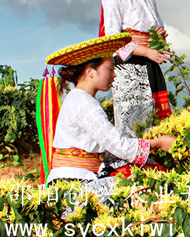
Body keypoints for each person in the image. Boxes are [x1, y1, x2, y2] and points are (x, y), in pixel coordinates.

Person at [44, 33, 175, 193]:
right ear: (90, 72)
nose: (114, 74)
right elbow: (120, 146)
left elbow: (111, 147)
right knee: (144, 188)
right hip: (74, 183)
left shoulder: (79, 98)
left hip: (77, 178)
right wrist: (158, 144)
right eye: (111, 69)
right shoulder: (84, 102)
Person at [99, 0, 175, 137]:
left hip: (149, 62)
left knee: (154, 116)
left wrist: (159, 37)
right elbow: (113, 40)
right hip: (128, 65)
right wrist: (146, 50)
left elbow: (156, 28)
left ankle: (155, 160)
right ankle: (132, 163)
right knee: (132, 118)